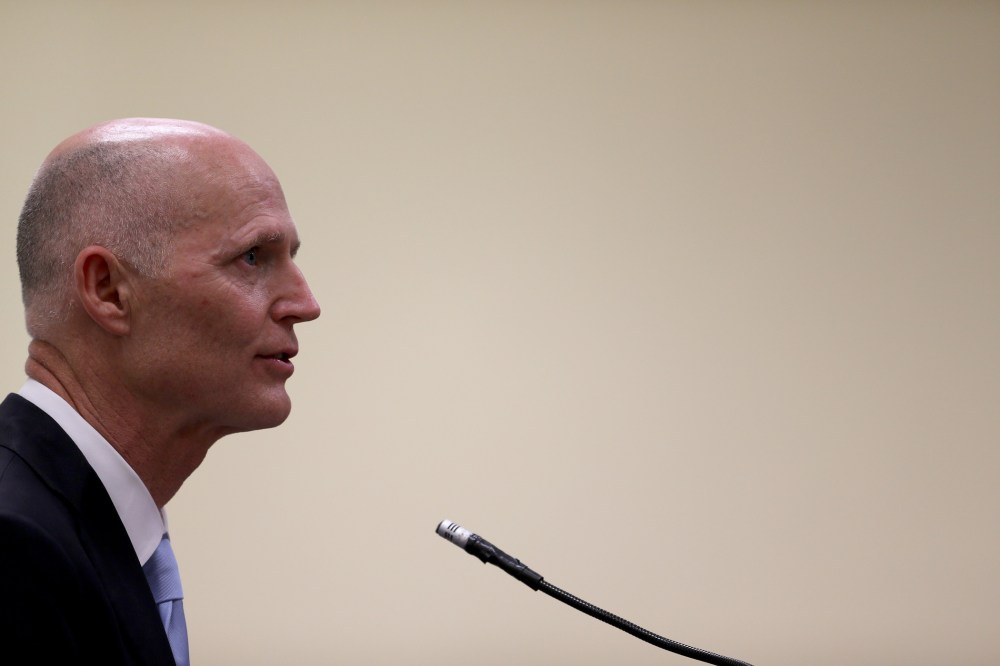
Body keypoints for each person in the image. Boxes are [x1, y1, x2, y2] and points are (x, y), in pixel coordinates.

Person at [0, 118, 321, 664]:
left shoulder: (84, 526)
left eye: (292, 256)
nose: (305, 303)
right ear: (109, 290)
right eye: (252, 257)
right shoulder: (14, 548)